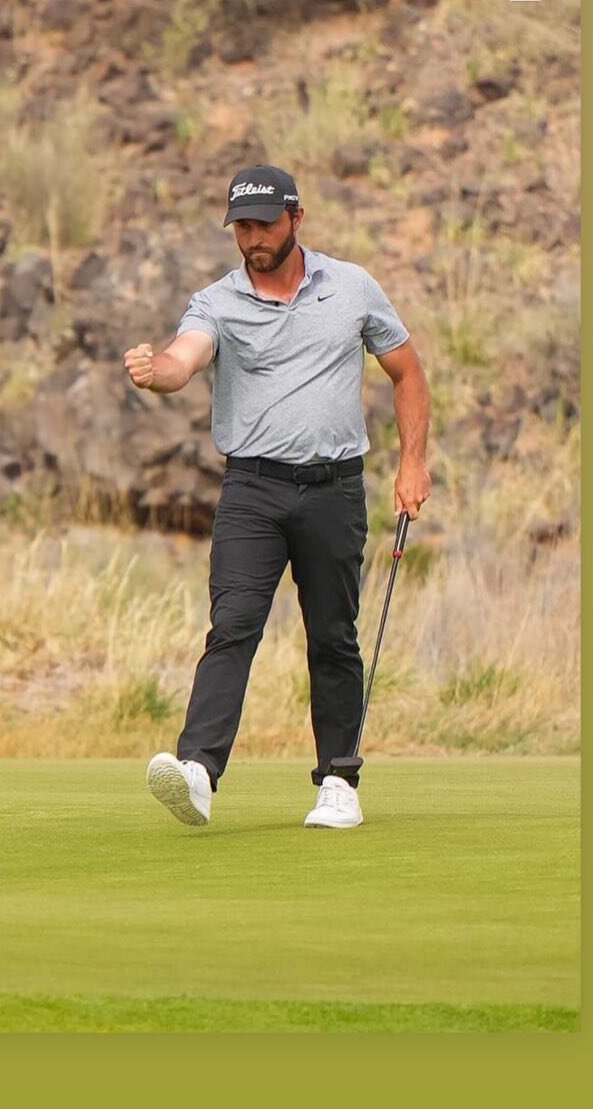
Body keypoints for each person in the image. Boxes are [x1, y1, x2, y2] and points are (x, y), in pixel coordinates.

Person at [123, 165, 431, 830]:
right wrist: (160, 373)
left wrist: (413, 463)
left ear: (296, 217)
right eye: (241, 226)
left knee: (332, 637)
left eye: (263, 223)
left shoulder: (352, 287)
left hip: (334, 489)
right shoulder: (219, 301)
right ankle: (197, 772)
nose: (252, 237)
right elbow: (186, 357)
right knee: (233, 626)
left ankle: (339, 784)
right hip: (253, 491)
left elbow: (407, 373)